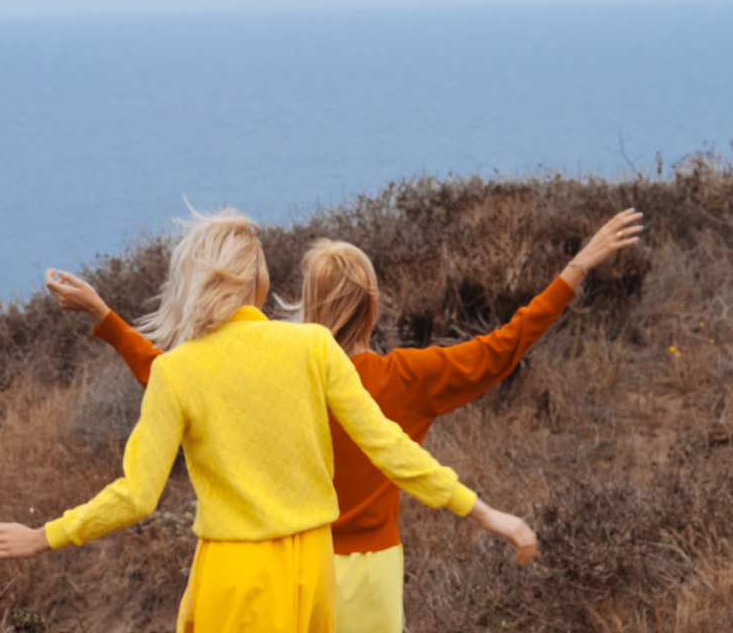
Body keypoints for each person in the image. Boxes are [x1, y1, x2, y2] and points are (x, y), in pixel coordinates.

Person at [46, 207, 641, 633]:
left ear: (301, 298)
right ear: (374, 303)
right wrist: (577, 268)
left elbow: (169, 374)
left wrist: (105, 316)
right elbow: (504, 346)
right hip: (371, 572)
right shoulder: (407, 377)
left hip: (287, 564)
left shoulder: (277, 365)